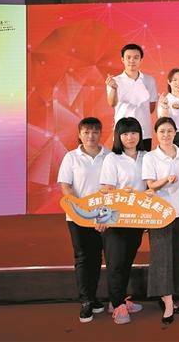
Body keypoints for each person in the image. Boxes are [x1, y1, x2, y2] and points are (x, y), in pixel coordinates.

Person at [58, 117, 110, 323]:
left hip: (103, 217)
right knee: (82, 257)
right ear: (79, 134)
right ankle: (86, 300)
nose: (91, 136)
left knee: (96, 257)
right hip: (77, 216)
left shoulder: (109, 156)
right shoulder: (71, 157)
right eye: (86, 132)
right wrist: (81, 208)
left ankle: (93, 296)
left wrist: (102, 213)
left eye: (95, 132)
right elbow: (65, 186)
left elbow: (113, 187)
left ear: (100, 133)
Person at [142, 117, 179, 325]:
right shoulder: (150, 157)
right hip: (159, 214)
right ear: (156, 133)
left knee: (178, 256)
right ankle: (168, 303)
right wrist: (165, 180)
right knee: (161, 257)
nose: (166, 135)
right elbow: (150, 185)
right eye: (162, 131)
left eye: (170, 131)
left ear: (176, 132)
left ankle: (170, 296)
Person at [99, 117, 147, 324]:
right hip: (116, 219)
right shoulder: (112, 159)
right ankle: (117, 305)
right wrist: (104, 216)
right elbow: (106, 189)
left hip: (137, 219)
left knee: (127, 260)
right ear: (118, 136)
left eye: (134, 133)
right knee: (116, 262)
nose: (130, 137)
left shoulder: (147, 157)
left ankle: (118, 299)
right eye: (125, 133)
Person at [105, 44, 157, 151]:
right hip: (122, 132)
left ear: (141, 60)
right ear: (122, 59)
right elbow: (112, 103)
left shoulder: (149, 80)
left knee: (144, 160)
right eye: (128, 57)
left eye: (136, 57)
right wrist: (114, 88)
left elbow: (151, 107)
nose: (132, 60)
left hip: (144, 132)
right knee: (120, 160)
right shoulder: (115, 81)